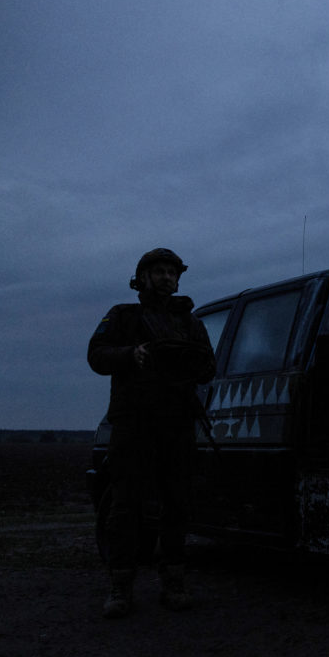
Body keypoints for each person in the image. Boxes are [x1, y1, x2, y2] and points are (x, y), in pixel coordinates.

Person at [88, 248, 216, 618]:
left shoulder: (190, 322)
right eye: (158, 271)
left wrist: (188, 364)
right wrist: (132, 354)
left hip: (176, 424)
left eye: (172, 272)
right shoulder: (122, 315)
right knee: (125, 506)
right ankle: (120, 586)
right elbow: (96, 354)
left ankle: (173, 582)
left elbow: (209, 366)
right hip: (133, 424)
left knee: (177, 504)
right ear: (141, 277)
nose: (166, 277)